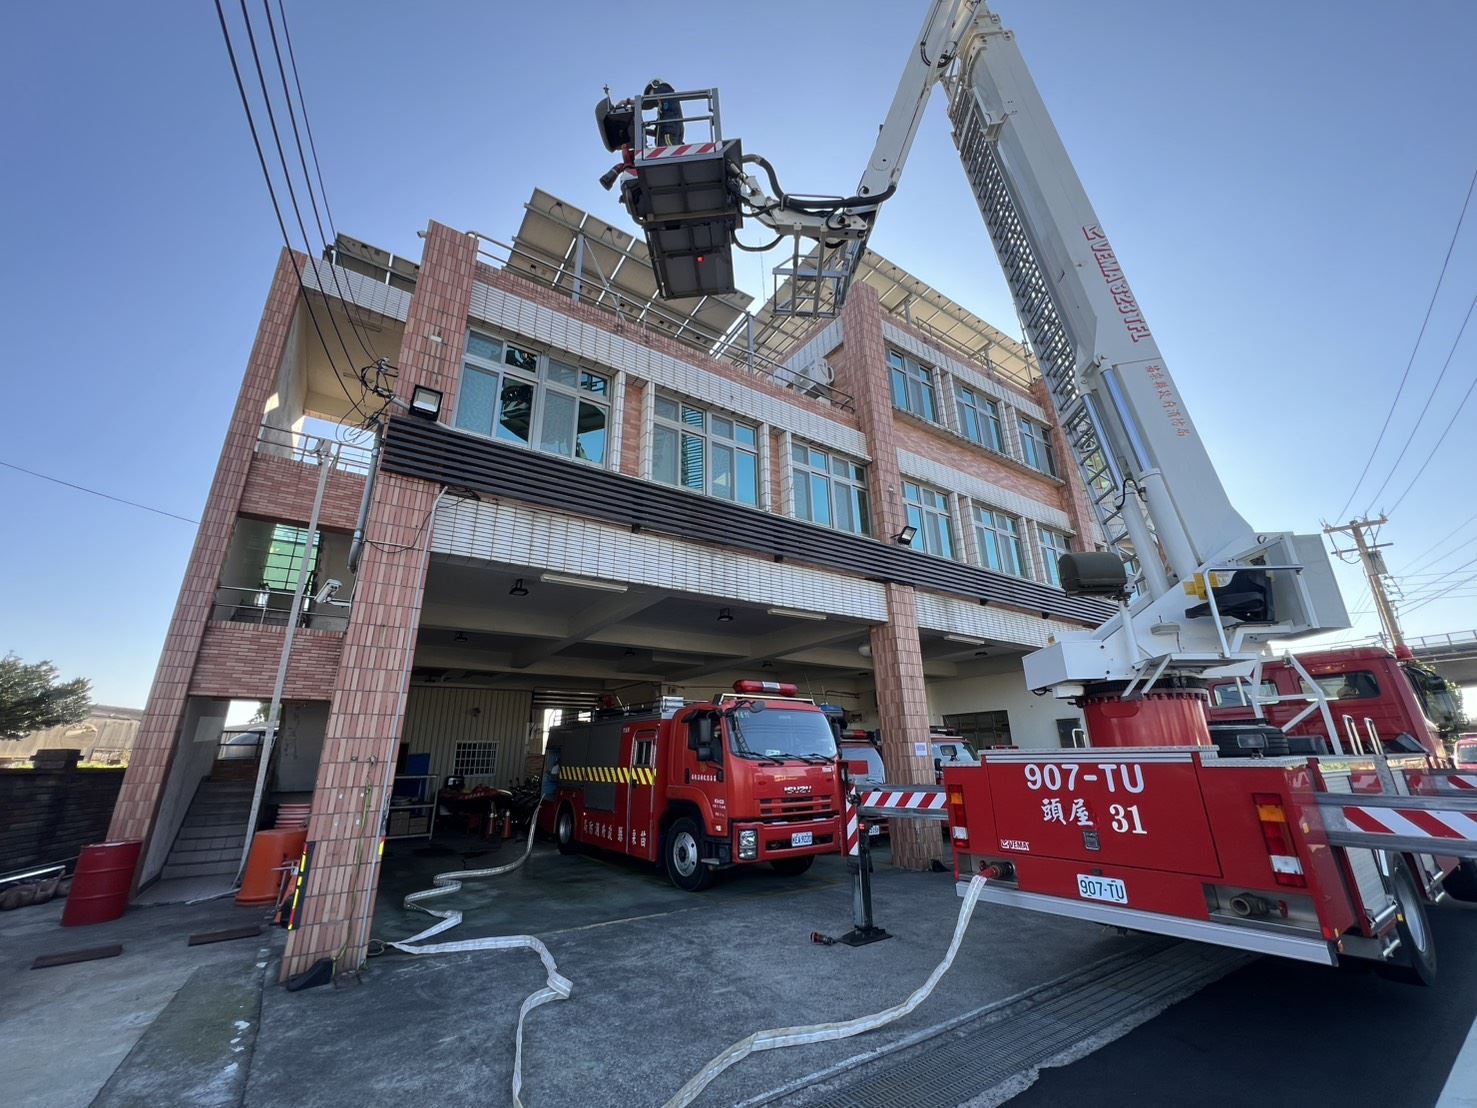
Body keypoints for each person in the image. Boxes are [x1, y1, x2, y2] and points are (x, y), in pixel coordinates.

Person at [645, 78, 684, 146]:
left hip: (669, 133)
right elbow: (657, 132)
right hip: (670, 133)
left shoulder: (664, 88)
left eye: (649, 93)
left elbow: (648, 103)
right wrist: (644, 131)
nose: (649, 96)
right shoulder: (664, 112)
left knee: (670, 153)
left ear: (654, 86)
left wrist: (633, 102)